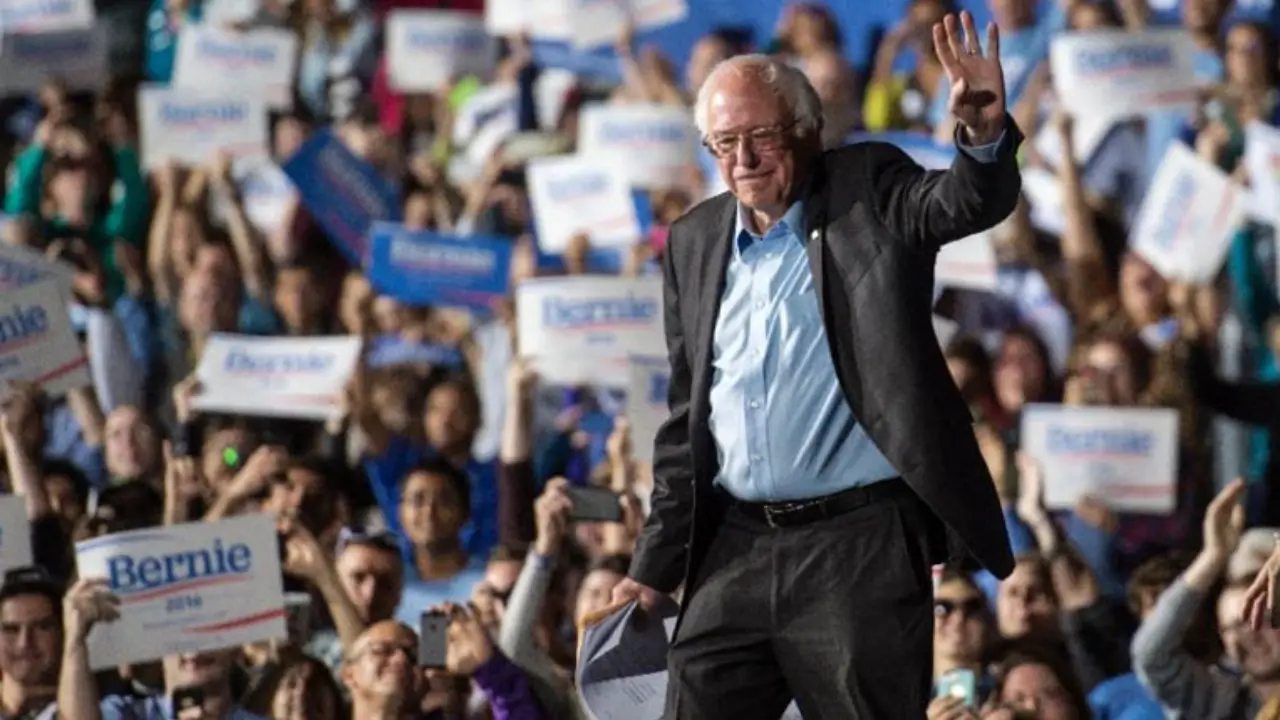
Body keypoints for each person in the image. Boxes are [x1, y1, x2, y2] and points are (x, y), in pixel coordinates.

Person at [611, 10, 1022, 719]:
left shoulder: (871, 188)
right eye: (724, 142)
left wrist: (982, 135)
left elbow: (961, 203)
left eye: (761, 137)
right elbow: (687, 427)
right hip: (733, 547)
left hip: (857, 549)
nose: (742, 159)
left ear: (806, 130)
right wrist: (652, 570)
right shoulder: (693, 242)